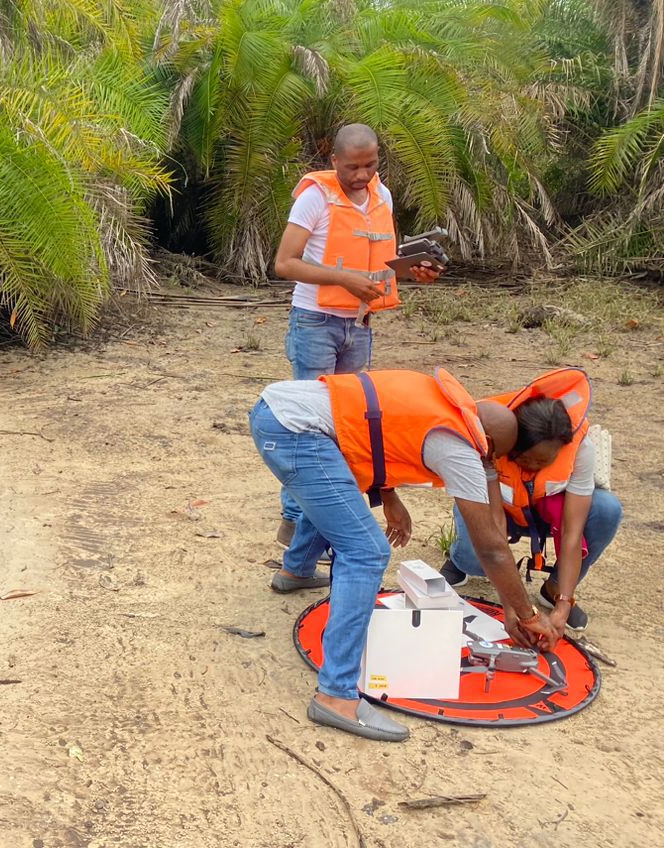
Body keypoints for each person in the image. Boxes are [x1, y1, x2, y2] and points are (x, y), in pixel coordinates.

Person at [249, 367, 564, 742]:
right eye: (509, 460)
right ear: (490, 445)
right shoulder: (460, 445)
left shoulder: (445, 402)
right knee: (366, 551)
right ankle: (335, 696)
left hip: (282, 409)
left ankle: (296, 571)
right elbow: (492, 547)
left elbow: (370, 429)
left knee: (338, 509)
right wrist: (527, 615)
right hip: (295, 431)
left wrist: (388, 497)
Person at [270, 124, 442, 548]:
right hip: (315, 321)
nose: (362, 175)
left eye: (370, 165)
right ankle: (294, 527)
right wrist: (343, 278)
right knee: (308, 424)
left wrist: (415, 271)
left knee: (351, 424)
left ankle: (324, 524)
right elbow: (285, 263)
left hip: (360, 324)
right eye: (353, 167)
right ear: (334, 162)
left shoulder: (381, 197)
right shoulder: (316, 197)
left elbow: (383, 261)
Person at [441, 368, 621, 636]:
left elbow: (572, 535)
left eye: (543, 462)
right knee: (476, 560)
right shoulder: (493, 437)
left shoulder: (580, 448)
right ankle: (459, 560)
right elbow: (495, 524)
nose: (533, 467)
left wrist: (563, 604)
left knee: (607, 509)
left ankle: (553, 588)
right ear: (511, 444)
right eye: (525, 460)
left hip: (547, 514)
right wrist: (511, 605)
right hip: (498, 508)